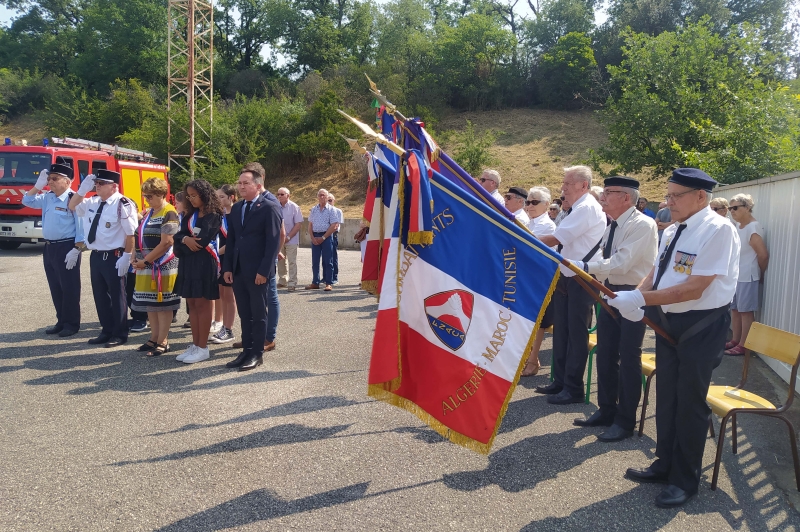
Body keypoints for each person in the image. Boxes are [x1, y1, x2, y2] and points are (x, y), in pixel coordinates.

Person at [607, 168, 740, 508]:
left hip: (702, 325)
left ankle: (684, 480)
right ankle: (664, 464)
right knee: (667, 397)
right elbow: (655, 275)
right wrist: (635, 297)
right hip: (669, 322)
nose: (669, 202)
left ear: (700, 196)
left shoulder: (718, 230)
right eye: (667, 195)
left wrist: (640, 300)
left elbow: (695, 287)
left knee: (690, 404)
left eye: (676, 195)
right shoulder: (672, 231)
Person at [570, 177, 658, 442]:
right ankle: (606, 410)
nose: (603, 197)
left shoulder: (642, 224)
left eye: (609, 193)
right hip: (610, 291)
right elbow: (606, 259)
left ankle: (625, 420)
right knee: (606, 353)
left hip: (633, 293)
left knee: (628, 357)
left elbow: (620, 263)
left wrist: (585, 268)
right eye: (604, 192)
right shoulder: (614, 224)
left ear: (627, 198)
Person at [535, 165, 605, 405]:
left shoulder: (586, 208)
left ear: (583, 185)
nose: (563, 187)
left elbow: (556, 239)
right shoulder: (577, 208)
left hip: (582, 278)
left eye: (568, 183)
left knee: (576, 334)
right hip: (568, 275)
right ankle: (561, 381)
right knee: (562, 331)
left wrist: (520, 238)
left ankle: (573, 387)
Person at [223, 167, 283, 371]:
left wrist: (264, 271)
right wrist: (228, 267)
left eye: (245, 183)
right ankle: (246, 349)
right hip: (239, 270)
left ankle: (257, 353)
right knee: (244, 312)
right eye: (239, 183)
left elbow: (273, 242)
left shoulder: (269, 207)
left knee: (258, 313)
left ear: (258, 185)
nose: (241, 186)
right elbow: (232, 240)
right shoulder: (238, 208)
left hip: (258, 271)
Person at [69, 170, 137, 347]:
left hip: (114, 255)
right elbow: (72, 205)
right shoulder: (93, 201)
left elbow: (130, 234)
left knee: (117, 296)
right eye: (96, 183)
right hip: (96, 255)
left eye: (101, 183)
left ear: (114, 186)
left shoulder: (123, 203)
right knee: (100, 296)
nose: (97, 186)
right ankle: (106, 330)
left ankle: (120, 333)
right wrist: (83, 189)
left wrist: (127, 257)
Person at [22, 163, 85, 337]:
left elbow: (81, 229)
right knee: (55, 286)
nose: (50, 182)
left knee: (69, 287)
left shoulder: (73, 198)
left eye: (55, 179)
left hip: (67, 246)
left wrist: (76, 250)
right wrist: (37, 186)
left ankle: (72, 323)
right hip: (49, 247)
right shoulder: (48, 197)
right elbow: (26, 201)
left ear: (67, 181)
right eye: (49, 178)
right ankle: (61, 320)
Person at [172, 179, 222, 364]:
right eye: (189, 196)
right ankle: (195, 344)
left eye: (195, 196)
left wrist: (185, 241)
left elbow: (201, 242)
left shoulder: (213, 215)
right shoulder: (189, 215)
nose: (191, 199)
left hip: (203, 264)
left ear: (204, 195)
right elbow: (177, 238)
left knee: (202, 305)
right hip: (188, 263)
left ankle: (203, 347)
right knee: (191, 304)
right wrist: (185, 240)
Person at [130, 178, 181, 356]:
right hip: (146, 264)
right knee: (150, 304)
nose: (146, 199)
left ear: (161, 194)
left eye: (150, 196)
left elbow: (167, 242)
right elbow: (138, 236)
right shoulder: (149, 213)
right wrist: (134, 256)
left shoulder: (169, 212)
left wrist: (146, 260)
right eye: (145, 196)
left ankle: (163, 340)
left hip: (162, 265)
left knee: (163, 305)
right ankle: (153, 338)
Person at [725, 193, 769, 356]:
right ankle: (736, 340)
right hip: (737, 275)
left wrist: (760, 274)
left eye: (735, 208)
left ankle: (744, 345)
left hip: (748, 276)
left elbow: (763, 255)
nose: (731, 211)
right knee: (735, 309)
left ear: (748, 208)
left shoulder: (752, 227)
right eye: (730, 208)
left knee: (745, 311)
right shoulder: (739, 226)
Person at [521, 186, 557, 377]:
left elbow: (528, 247)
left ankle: (533, 360)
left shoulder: (546, 225)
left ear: (546, 205)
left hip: (541, 281)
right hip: (530, 278)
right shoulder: (532, 222)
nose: (530, 205)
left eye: (535, 202)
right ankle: (528, 358)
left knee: (539, 322)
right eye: (528, 202)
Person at [209, 184, 238, 345]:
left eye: (221, 197)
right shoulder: (220, 215)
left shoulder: (236, 214)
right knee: (222, 293)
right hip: (219, 258)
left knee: (229, 295)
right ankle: (224, 326)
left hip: (230, 257)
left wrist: (217, 252)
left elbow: (234, 240)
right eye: (217, 197)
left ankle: (228, 328)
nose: (218, 200)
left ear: (231, 197)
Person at [306, 188, 340, 291]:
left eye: (323, 195)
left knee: (328, 261)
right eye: (320, 195)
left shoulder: (332, 210)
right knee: (315, 261)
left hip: (327, 237)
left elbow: (334, 226)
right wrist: (312, 237)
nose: (321, 197)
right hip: (315, 236)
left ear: (327, 197)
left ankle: (328, 283)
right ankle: (315, 282)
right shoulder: (314, 209)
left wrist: (324, 237)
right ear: (317, 197)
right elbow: (310, 224)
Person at [276, 187, 303, 292]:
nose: (279, 196)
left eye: (282, 194)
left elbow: (298, 224)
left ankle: (292, 282)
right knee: (280, 261)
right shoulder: (276, 207)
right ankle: (283, 280)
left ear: (288, 195)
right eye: (278, 194)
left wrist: (288, 237)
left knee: (292, 261)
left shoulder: (294, 207)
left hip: (291, 240)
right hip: (279, 239)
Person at [328, 193, 345, 285]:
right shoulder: (323, 210)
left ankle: (334, 277)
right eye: (327, 200)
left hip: (333, 235)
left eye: (330, 200)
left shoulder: (338, 211)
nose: (329, 202)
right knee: (326, 258)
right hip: (324, 235)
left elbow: (337, 225)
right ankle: (326, 276)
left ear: (334, 201)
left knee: (333, 257)